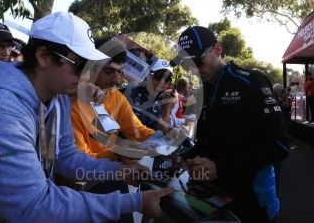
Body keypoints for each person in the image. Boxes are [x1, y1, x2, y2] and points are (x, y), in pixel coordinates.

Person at [0, 12, 172, 222]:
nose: (88, 75)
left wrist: (119, 171)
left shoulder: (58, 97)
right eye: (80, 65)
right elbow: (36, 206)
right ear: (44, 57)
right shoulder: (1, 112)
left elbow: (66, 157)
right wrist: (134, 202)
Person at [173, 26, 289, 222]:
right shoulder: (205, 90)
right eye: (187, 65)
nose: (193, 70)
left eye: (197, 61)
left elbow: (279, 145)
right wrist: (185, 156)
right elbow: (208, 141)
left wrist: (221, 167)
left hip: (254, 201)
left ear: (217, 50)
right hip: (216, 196)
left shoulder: (252, 82)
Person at [71, 38, 155, 160]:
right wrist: (117, 154)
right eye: (109, 71)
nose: (116, 79)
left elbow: (138, 130)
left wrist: (165, 141)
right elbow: (76, 162)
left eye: (120, 72)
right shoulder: (72, 102)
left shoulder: (116, 97)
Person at [123, 58, 174, 132]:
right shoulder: (129, 91)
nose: (162, 82)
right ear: (148, 75)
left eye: (167, 79)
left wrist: (167, 109)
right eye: (158, 76)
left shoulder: (158, 105)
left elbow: (160, 130)